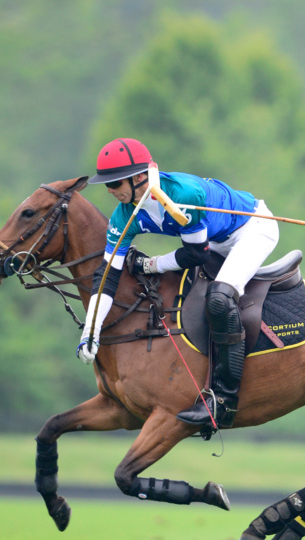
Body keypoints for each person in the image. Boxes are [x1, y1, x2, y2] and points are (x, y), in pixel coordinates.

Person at [79, 138, 280, 428]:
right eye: (107, 185)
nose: (111, 191)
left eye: (117, 183)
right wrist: (91, 331)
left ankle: (222, 402)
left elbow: (196, 254)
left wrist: (150, 264)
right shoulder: (123, 215)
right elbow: (107, 276)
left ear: (139, 177)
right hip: (214, 239)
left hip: (251, 228)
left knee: (220, 299)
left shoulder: (184, 194)